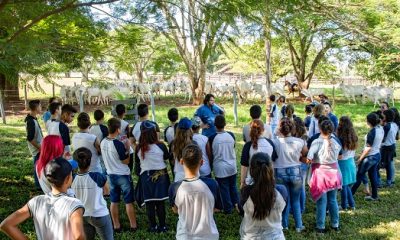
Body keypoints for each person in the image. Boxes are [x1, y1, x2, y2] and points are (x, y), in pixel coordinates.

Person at [0, 157, 85, 240]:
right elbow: (79, 237)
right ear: (68, 179)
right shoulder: (74, 204)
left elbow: (6, 225)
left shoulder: (36, 201)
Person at [169, 144, 223, 240]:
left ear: (181, 161)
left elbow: (175, 210)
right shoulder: (212, 184)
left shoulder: (174, 188)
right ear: (201, 162)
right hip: (209, 235)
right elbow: (217, 208)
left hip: (184, 236)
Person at [100, 118, 137, 232]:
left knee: (114, 201)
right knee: (128, 201)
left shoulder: (103, 141)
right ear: (118, 129)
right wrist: (127, 147)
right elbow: (125, 161)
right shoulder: (117, 144)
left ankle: (116, 225)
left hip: (110, 175)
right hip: (123, 175)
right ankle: (133, 225)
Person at [240, 152, 288, 240]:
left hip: (251, 236)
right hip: (276, 237)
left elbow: (242, 212)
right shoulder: (282, 191)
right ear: (271, 168)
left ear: (251, 171)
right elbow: (283, 211)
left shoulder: (245, 192)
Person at [307, 119, 342, 234]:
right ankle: (335, 224)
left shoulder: (317, 142)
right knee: (333, 200)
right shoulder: (337, 141)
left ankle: (320, 226)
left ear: (320, 129)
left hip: (321, 174)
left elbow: (309, 157)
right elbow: (340, 156)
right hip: (334, 174)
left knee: (321, 202)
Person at [273, 118, 307, 232]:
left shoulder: (275, 142)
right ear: (292, 128)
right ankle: (299, 225)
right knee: (295, 200)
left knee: (283, 201)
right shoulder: (300, 142)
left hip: (280, 173)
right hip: (295, 172)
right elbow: (305, 155)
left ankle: (284, 225)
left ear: (280, 129)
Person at [71, 147, 114, 240]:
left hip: (83, 216)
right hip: (99, 214)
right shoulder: (98, 176)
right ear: (90, 161)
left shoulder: (72, 179)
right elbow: (107, 192)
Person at [135, 120, 170, 233]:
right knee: (160, 203)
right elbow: (166, 157)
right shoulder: (161, 145)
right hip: (161, 177)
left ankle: (153, 226)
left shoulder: (139, 147)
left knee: (149, 204)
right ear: (154, 133)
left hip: (146, 177)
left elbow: (137, 167)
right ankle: (163, 226)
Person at [209, 115, 239, 214]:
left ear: (215, 125)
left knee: (224, 188)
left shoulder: (212, 138)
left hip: (220, 167)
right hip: (232, 165)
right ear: (225, 124)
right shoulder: (231, 135)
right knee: (233, 186)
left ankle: (228, 209)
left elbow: (210, 153)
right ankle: (237, 205)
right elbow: (233, 147)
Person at [351, 113, 384, 201]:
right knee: (373, 176)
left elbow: (368, 148)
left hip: (370, 158)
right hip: (377, 155)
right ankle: (374, 196)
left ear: (369, 122)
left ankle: (349, 196)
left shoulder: (372, 132)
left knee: (359, 176)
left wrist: (360, 159)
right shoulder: (380, 128)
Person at [240, 119, 277, 188]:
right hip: (267, 180)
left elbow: (244, 166)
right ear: (263, 130)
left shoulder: (248, 145)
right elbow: (272, 163)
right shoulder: (270, 143)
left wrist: (242, 182)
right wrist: (272, 178)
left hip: (251, 181)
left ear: (250, 130)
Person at [337, 116, 358, 210]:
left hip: (343, 163)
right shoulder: (354, 136)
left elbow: (339, 153)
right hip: (351, 161)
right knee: (347, 186)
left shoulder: (341, 138)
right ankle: (352, 204)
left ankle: (344, 205)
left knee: (344, 186)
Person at [25, 99, 43, 189]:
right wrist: (40, 147)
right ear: (36, 108)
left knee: (39, 165)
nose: (41, 107)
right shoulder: (31, 121)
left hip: (39, 148)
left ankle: (39, 183)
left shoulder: (33, 119)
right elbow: (30, 138)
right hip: (37, 149)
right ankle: (38, 185)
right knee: (37, 165)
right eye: (40, 106)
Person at [292, 116, 309, 214]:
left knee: (300, 186)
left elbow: (304, 152)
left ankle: (301, 207)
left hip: (300, 162)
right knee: (301, 186)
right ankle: (301, 207)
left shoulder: (299, 137)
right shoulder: (305, 135)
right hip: (303, 163)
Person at [170, 118, 195, 182]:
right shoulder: (193, 144)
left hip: (179, 174)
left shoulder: (173, 144)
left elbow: (172, 160)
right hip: (192, 174)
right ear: (190, 130)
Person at [379, 109, 398, 187]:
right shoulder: (395, 124)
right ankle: (389, 180)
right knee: (389, 164)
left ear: (386, 116)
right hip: (392, 145)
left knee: (382, 164)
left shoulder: (387, 126)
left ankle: (384, 181)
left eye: (383, 115)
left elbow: (383, 138)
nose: (382, 116)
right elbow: (397, 136)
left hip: (386, 147)